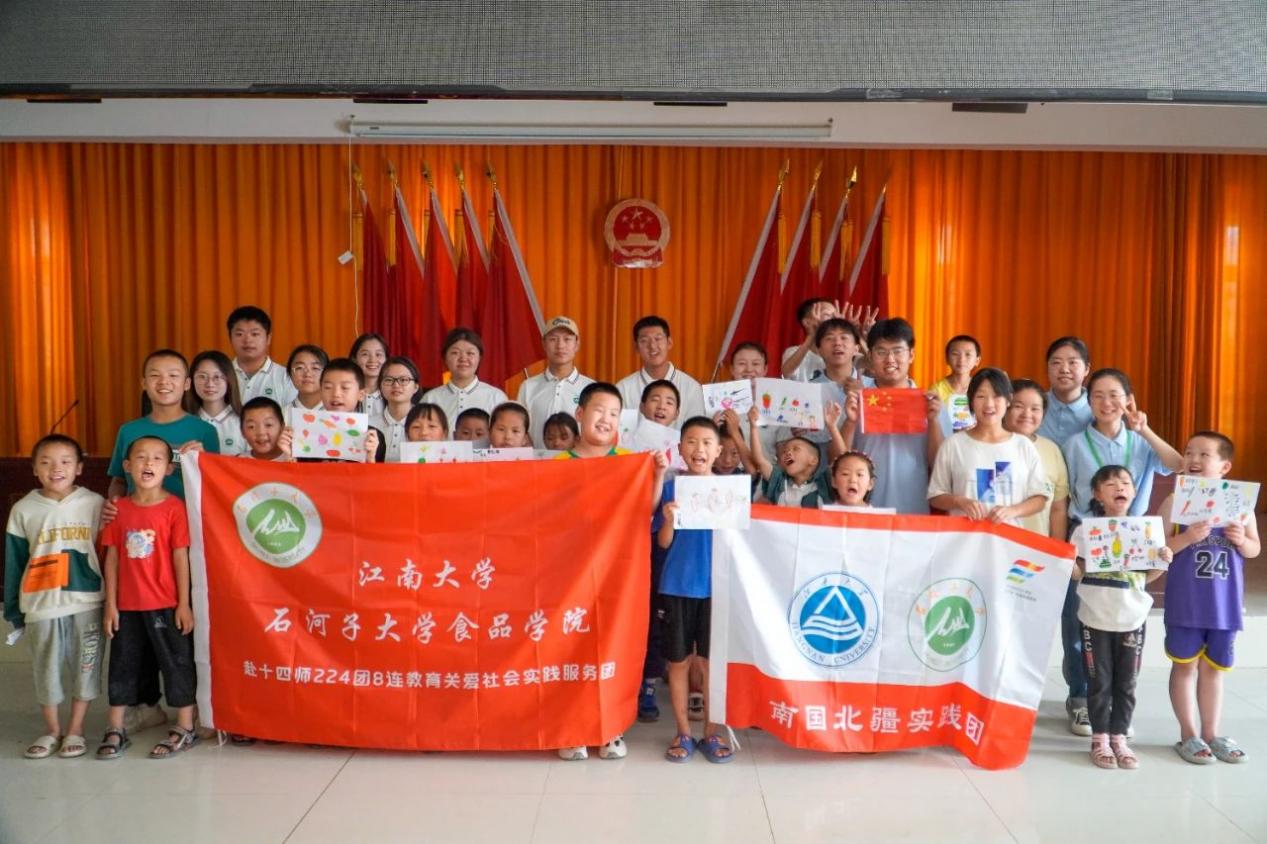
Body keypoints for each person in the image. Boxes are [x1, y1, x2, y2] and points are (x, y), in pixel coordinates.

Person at [555, 382, 668, 761]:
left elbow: (645, 511)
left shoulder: (628, 462)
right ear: (580, 414)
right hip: (569, 575)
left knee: (612, 647)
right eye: (599, 411)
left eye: (614, 414)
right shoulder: (558, 464)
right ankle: (572, 728)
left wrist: (657, 476)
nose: (606, 419)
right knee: (569, 648)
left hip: (616, 574)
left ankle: (609, 728)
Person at [1161, 432, 1261, 765]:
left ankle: (1211, 733)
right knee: (1184, 666)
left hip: (1224, 606)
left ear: (1224, 467)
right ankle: (1188, 733)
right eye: (1189, 452)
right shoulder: (1174, 502)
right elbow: (1157, 548)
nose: (1193, 459)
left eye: (1204, 454)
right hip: (1185, 604)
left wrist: (1241, 539)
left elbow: (1254, 549)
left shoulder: (1240, 505)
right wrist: (1188, 537)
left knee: (1214, 670)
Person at [97, 436, 199, 760]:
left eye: (157, 458)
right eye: (141, 457)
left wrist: (183, 604)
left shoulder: (174, 508)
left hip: (166, 604)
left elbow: (181, 556)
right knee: (123, 665)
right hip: (127, 606)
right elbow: (112, 558)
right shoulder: (118, 509)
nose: (148, 463)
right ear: (127, 466)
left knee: (177, 663)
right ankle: (116, 727)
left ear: (169, 468)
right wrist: (111, 605)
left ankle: (185, 725)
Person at [4, 435, 105, 760]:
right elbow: (15, 562)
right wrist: (14, 610)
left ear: (79, 468)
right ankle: (52, 730)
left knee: (86, 666)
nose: (56, 468)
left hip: (87, 601)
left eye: (65, 461)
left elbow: (107, 553)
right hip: (41, 603)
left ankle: (75, 729)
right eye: (46, 462)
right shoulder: (23, 509)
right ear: (34, 469)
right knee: (45, 668)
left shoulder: (96, 504)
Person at [1069, 465, 1172, 769]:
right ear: (1097, 494)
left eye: (1125, 482)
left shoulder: (1145, 531)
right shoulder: (1085, 531)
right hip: (1095, 617)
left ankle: (1120, 738)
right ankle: (1100, 739)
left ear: (1135, 491)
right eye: (1110, 484)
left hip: (1132, 617)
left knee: (1127, 682)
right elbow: (1078, 573)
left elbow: (1147, 576)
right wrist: (1065, 559)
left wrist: (1163, 560)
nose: (1119, 488)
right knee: (1098, 682)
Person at [656, 417, 734, 764]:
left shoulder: (732, 492)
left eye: (706, 443)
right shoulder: (671, 489)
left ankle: (711, 732)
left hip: (718, 589)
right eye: (691, 441)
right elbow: (663, 543)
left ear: (718, 451)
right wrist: (669, 519)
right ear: (680, 449)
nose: (698, 449)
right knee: (679, 662)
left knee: (710, 663)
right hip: (677, 586)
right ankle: (683, 732)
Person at [837, 318, 944, 514]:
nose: (890, 359)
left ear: (911, 355)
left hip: (912, 510)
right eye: (881, 352)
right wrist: (850, 422)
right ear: (870, 356)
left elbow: (939, 464)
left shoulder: (931, 403)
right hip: (862, 510)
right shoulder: (856, 400)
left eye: (897, 351)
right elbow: (836, 459)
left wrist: (934, 422)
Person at [928, 369, 1050, 527]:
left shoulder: (1023, 446)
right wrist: (959, 501)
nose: (989, 404)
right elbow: (935, 496)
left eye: (997, 396)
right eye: (981, 396)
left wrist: (1013, 511)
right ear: (971, 401)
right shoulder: (953, 445)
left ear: (1008, 400)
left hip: (1008, 538)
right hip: (964, 538)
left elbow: (1040, 499)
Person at [1063, 368, 1183, 521]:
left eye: (1113, 395)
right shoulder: (1074, 445)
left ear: (1128, 400)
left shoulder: (1141, 441)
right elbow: (1063, 495)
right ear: (1089, 401)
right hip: (1086, 527)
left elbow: (1178, 465)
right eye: (1098, 396)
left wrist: (1144, 430)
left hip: (1133, 527)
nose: (1106, 403)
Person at [107, 349, 221, 503]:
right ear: (144, 383)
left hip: (185, 516)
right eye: (155, 375)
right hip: (139, 516)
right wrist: (114, 502)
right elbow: (119, 481)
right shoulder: (128, 431)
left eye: (173, 375)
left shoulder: (205, 431)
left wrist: (203, 462)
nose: (164, 381)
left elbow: (214, 486)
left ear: (187, 384)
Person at [1005, 379, 1070, 541]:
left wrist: (1055, 550)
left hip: (1038, 548)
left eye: (1035, 409)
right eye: (1018, 406)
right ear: (1005, 407)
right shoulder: (990, 446)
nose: (1027, 414)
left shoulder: (1051, 450)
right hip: (998, 545)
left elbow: (1058, 509)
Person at [517, 316, 594, 448]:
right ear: (543, 344)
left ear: (577, 344)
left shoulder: (591, 388)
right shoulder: (528, 387)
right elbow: (520, 430)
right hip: (539, 460)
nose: (560, 345)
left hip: (578, 460)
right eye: (553, 339)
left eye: (567, 339)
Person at [616, 316, 704, 426]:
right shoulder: (623, 389)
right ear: (636, 348)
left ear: (669, 343)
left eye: (658, 339)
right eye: (644, 341)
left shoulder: (691, 388)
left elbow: (697, 431)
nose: (652, 346)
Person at [748, 406, 832, 508]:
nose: (788, 453)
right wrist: (753, 427)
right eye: (785, 451)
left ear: (813, 460)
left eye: (796, 449)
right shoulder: (778, 481)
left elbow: (843, 462)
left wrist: (832, 427)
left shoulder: (825, 483)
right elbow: (759, 459)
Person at [420, 328, 508, 424]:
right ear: (445, 358)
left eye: (470, 353)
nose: (463, 358)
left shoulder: (496, 397)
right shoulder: (430, 398)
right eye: (455, 353)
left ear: (479, 358)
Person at [307, 358, 384, 463]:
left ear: (361, 394)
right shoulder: (308, 432)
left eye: (345, 387)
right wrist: (289, 456)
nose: (336, 394)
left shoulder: (373, 437)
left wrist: (370, 459)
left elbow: (376, 473)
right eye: (328, 387)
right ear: (320, 392)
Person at [227, 305, 297, 405]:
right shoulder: (220, 375)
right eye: (239, 334)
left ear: (268, 338)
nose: (247, 340)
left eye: (255, 334)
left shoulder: (286, 377)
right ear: (230, 338)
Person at [185, 350, 245, 456]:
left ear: (229, 379)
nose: (210, 384)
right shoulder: (185, 421)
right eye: (202, 376)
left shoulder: (244, 421)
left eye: (217, 377)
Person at [1037, 336, 1093, 445]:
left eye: (1072, 362)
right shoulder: (1036, 405)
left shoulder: (1097, 408)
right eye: (1056, 362)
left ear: (1086, 369)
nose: (1064, 370)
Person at [372, 356, 421, 462]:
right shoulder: (369, 425)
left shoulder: (425, 426)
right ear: (380, 387)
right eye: (389, 380)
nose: (396, 385)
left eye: (403, 380)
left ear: (416, 387)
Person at [781, 298, 837, 382]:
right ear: (807, 322)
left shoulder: (841, 351)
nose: (835, 319)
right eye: (827, 315)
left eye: (835, 315)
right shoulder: (793, 351)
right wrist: (812, 335)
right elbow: (786, 373)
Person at [929, 335, 981, 404]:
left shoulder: (980, 388)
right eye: (955, 354)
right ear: (947, 359)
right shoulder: (937, 390)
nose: (961, 359)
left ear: (977, 361)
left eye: (968, 354)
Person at [350, 333, 390, 420]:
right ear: (354, 359)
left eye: (378, 354)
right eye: (365, 354)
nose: (372, 360)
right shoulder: (347, 393)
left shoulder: (393, 393)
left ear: (386, 359)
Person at [240, 397, 293, 462]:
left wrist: (290, 458)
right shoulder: (238, 461)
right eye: (251, 426)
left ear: (282, 427)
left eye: (268, 425)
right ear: (242, 431)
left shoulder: (295, 458)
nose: (261, 432)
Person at [286, 344, 328, 411]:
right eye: (300, 368)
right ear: (290, 374)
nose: (307, 374)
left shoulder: (337, 413)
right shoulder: (281, 414)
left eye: (315, 368)